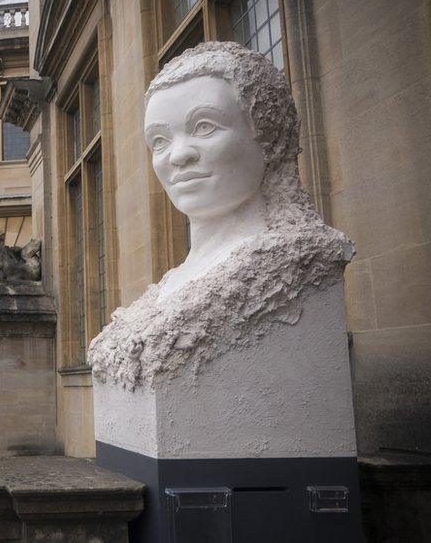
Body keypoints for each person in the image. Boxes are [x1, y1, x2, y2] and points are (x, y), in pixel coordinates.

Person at [88, 42, 353, 390]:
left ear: (268, 135)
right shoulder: (172, 283)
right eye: (160, 141)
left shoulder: (293, 259)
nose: (178, 155)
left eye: (204, 127)